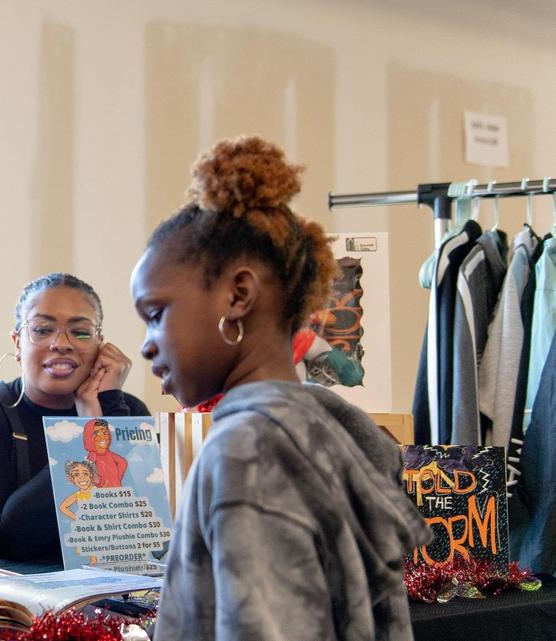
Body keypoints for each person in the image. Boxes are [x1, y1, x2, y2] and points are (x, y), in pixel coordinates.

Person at [133, 136, 430, 641]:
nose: (146, 346)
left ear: (239, 294)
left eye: (156, 315)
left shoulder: (249, 450)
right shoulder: (335, 427)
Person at [0, 273, 149, 569]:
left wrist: (104, 417)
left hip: (101, 600)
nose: (61, 343)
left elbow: (136, 538)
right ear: (17, 343)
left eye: (80, 332)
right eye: (42, 329)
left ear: (100, 345)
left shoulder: (125, 411)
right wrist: (87, 434)